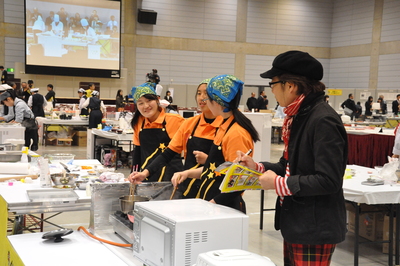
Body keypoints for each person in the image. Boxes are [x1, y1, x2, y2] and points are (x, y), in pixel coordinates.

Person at [237, 50, 347, 265]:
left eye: (273, 84)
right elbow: (288, 166)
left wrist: (278, 184)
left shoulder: (322, 120)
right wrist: (258, 166)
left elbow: (328, 180)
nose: (272, 91)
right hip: (298, 222)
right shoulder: (298, 116)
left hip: (315, 226)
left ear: (291, 85)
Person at [170, 74, 259, 213]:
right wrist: (187, 173)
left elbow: (239, 181)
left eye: (208, 98)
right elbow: (216, 169)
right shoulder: (223, 127)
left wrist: (214, 203)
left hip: (224, 207)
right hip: (212, 203)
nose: (204, 101)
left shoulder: (236, 133)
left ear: (217, 103)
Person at [129, 79, 223, 198]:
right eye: (199, 93)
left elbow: (233, 168)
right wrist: (142, 173)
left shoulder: (176, 121)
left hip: (177, 178)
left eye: (149, 100)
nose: (202, 98)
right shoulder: (190, 124)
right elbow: (166, 153)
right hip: (177, 181)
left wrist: (208, 161)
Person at [128, 82, 184, 182]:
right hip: (146, 177)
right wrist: (133, 174)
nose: (146, 106)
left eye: (149, 100)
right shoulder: (138, 123)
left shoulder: (175, 120)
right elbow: (137, 152)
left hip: (171, 178)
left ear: (157, 100)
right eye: (140, 103)